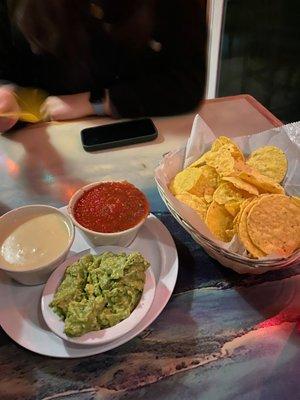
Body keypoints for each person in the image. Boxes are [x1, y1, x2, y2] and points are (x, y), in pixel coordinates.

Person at [0, 0, 207, 132]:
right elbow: (8, 71)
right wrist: (8, 94)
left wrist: (96, 101)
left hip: (146, 131)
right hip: (43, 137)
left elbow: (188, 85)